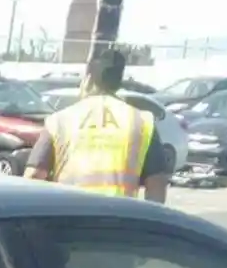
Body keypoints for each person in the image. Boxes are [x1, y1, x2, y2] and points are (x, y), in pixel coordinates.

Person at [24, 48, 174, 202]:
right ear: (118, 84)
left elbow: (34, 176)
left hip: (68, 218)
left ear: (88, 80)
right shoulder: (142, 121)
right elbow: (156, 185)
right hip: (118, 219)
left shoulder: (60, 120)